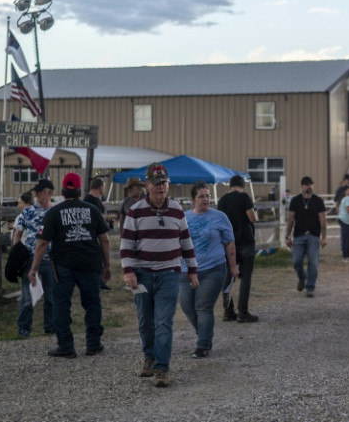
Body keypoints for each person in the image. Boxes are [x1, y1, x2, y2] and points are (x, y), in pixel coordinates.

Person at [120, 162, 198, 388]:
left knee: (164, 322)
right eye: (156, 184)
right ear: (146, 185)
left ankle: (162, 369)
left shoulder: (177, 210)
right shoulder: (135, 211)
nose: (160, 188)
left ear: (168, 184)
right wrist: (128, 271)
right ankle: (149, 357)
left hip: (169, 274)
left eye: (164, 183)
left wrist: (192, 270)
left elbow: (186, 242)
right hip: (142, 274)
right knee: (145, 322)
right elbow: (126, 245)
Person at [29, 172, 111, 359]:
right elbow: (105, 239)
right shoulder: (93, 210)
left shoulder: (54, 212)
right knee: (92, 303)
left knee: (62, 304)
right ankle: (93, 343)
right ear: (80, 190)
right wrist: (107, 266)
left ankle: (66, 346)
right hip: (90, 263)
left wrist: (33, 268)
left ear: (63, 191)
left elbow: (42, 243)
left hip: (63, 266)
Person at [180, 182, 238, 358]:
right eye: (201, 196)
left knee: (203, 307)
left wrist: (233, 266)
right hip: (186, 270)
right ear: (192, 200)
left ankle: (203, 345)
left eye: (208, 196)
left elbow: (229, 242)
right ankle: (205, 334)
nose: (206, 199)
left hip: (213, 269)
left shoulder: (220, 217)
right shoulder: (183, 218)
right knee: (187, 306)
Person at [14, 179, 55, 337]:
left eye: (40, 191)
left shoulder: (55, 211)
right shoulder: (28, 211)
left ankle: (50, 327)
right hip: (30, 258)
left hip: (51, 259)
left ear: (50, 193)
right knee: (27, 298)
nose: (37, 195)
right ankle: (23, 328)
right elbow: (17, 233)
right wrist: (16, 252)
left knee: (51, 297)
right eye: (36, 192)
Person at [218, 175, 258, 323]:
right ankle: (243, 312)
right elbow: (252, 217)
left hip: (229, 242)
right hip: (246, 241)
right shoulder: (244, 197)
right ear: (243, 186)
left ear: (230, 186)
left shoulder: (222, 200)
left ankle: (228, 311)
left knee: (228, 276)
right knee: (245, 277)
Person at [285, 176, 327, 298]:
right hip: (298, 236)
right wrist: (287, 237)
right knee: (296, 261)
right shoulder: (295, 200)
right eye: (306, 184)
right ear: (302, 186)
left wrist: (324, 237)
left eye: (311, 184)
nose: (309, 186)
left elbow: (323, 220)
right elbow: (290, 219)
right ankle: (302, 278)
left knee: (313, 262)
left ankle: (310, 287)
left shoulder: (318, 201)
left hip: (313, 236)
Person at [84, 177, 112, 290]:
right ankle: (97, 282)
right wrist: (107, 217)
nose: (104, 189)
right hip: (92, 234)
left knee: (99, 257)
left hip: (97, 232)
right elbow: (95, 216)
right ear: (100, 187)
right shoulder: (89, 200)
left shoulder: (95, 200)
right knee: (96, 258)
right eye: (104, 187)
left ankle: (100, 281)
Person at [337, 185, 349, 261]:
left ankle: (345, 255)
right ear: (345, 191)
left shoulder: (343, 199)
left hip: (343, 219)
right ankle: (347, 256)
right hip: (347, 221)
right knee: (348, 239)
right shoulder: (348, 198)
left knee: (345, 238)